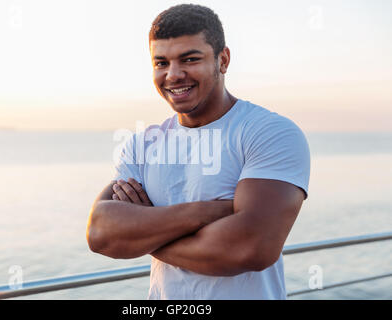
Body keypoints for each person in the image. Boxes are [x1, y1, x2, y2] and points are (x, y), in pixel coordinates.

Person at [86, 4, 310, 300]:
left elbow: (250, 248)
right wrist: (207, 212)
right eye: (161, 63)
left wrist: (142, 233)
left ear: (223, 60)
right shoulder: (142, 144)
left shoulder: (268, 132)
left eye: (190, 59)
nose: (173, 75)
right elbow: (101, 234)